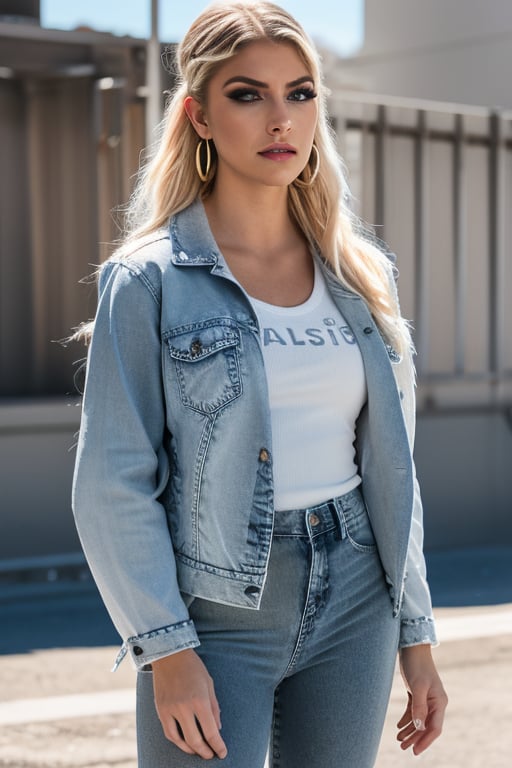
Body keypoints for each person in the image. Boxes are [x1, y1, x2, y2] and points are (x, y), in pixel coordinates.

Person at [72, 2, 447, 766]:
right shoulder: (146, 282)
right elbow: (111, 481)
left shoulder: (359, 277)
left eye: (300, 92)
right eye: (249, 94)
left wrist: (416, 630)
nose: (282, 118)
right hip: (215, 612)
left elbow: (393, 468)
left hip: (356, 597)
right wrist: (165, 650)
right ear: (200, 115)